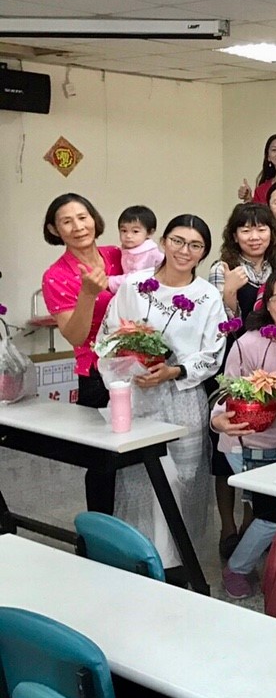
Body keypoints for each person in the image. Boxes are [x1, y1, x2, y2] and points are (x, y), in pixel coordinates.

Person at [97, 214, 225, 574]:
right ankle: (139, 557)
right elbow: (109, 334)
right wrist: (129, 367)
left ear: (203, 253)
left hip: (183, 399)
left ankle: (178, 562)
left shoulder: (207, 296)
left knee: (183, 478)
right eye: (178, 241)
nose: (185, 251)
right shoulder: (134, 286)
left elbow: (213, 351)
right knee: (138, 478)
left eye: (195, 245)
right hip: (137, 396)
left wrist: (175, 371)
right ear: (164, 242)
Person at [211, 267, 276, 599]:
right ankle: (237, 568)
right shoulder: (248, 343)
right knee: (274, 513)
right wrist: (218, 421)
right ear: (267, 304)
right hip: (244, 442)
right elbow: (222, 397)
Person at [41, 194, 124, 512]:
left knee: (140, 456)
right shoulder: (56, 275)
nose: (78, 227)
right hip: (97, 375)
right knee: (104, 462)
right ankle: (99, 533)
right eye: (67, 221)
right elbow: (74, 335)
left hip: (138, 368)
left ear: (94, 219)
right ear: (54, 230)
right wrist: (88, 294)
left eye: (82, 217)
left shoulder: (117, 255)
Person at [208, 203, 276, 321]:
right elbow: (218, 322)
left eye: (261, 230)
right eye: (246, 231)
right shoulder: (222, 269)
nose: (254, 237)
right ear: (235, 237)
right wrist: (230, 292)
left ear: (271, 234)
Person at [106, 205, 164, 291]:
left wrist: (110, 281)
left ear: (149, 233)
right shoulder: (127, 249)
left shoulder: (148, 253)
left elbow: (136, 278)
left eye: (135, 231)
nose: (128, 235)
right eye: (124, 230)